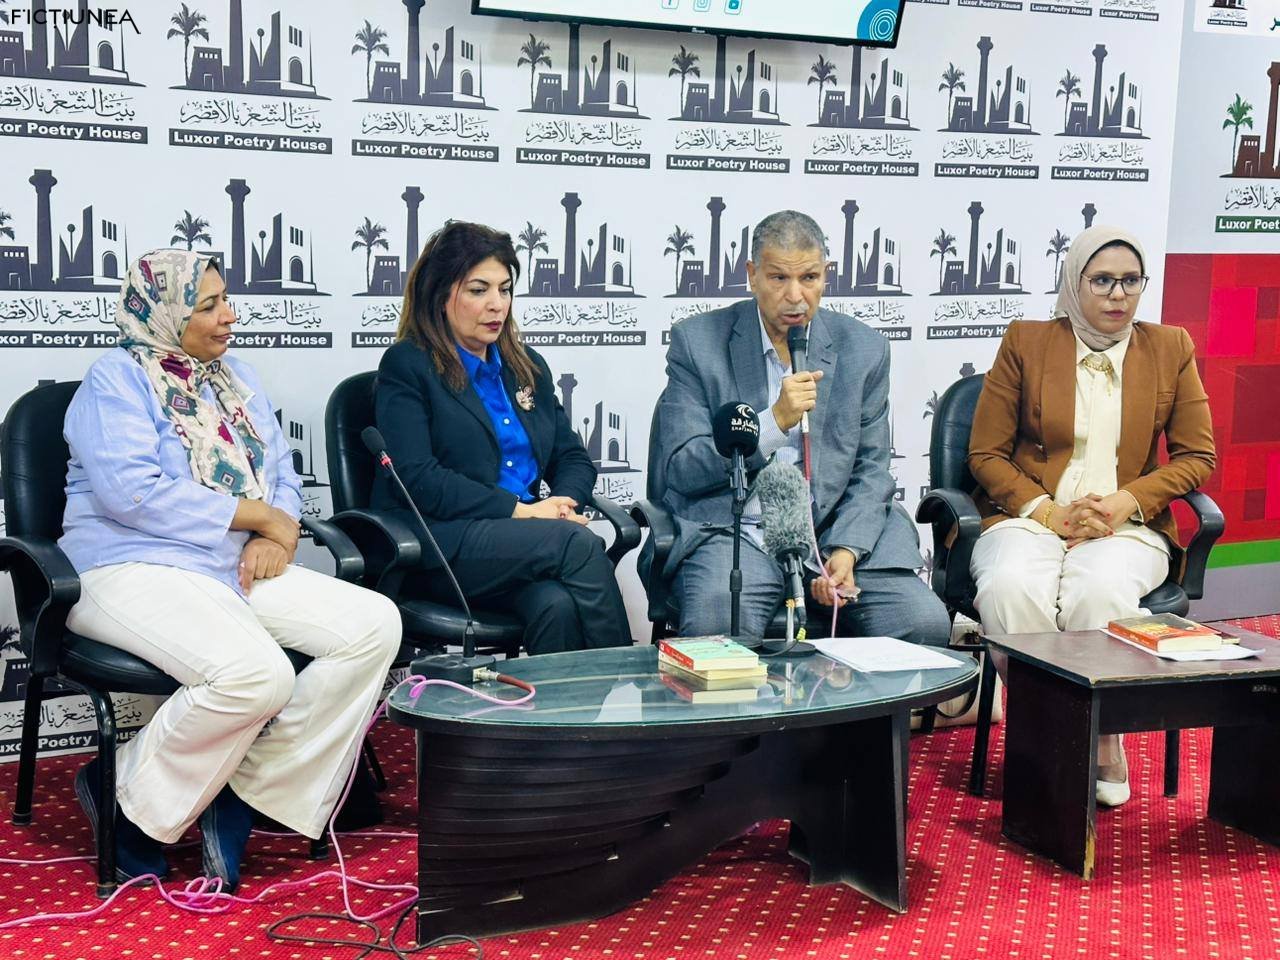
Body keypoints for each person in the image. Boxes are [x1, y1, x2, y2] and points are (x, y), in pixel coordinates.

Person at [59, 250, 402, 889]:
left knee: (373, 624)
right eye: (208, 305)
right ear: (163, 314)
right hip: (128, 564)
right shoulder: (115, 381)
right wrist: (257, 517)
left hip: (229, 563)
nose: (229, 316)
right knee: (257, 675)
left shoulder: (234, 377)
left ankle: (246, 791)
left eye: (226, 300)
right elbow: (132, 493)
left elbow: (283, 473)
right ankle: (123, 801)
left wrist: (277, 530)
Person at [967, 225, 1216, 807]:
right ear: (1074, 283)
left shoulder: (1170, 347)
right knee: (1008, 586)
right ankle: (1043, 735)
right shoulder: (1027, 341)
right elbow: (985, 454)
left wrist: (1131, 500)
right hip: (1030, 514)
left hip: (1125, 525)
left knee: (1098, 590)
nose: (1117, 294)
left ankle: (1101, 739)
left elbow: (1197, 456)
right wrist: (1049, 513)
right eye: (1102, 280)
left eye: (1131, 281)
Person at [653, 210, 950, 646]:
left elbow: (871, 470)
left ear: (825, 275)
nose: (795, 297)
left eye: (809, 277)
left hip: (832, 530)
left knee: (923, 623)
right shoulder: (698, 344)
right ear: (752, 275)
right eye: (778, 278)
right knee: (718, 629)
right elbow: (683, 468)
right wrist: (773, 422)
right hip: (738, 531)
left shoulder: (864, 349)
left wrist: (846, 550)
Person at [373, 221, 632, 654]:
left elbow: (572, 457)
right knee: (578, 544)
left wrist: (561, 504)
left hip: (524, 543)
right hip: (445, 543)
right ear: (441, 296)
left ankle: (557, 702)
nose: (497, 304)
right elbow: (418, 478)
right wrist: (523, 513)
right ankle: (628, 680)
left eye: (505, 289)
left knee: (556, 606)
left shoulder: (525, 365)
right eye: (479, 290)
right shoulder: (408, 365)